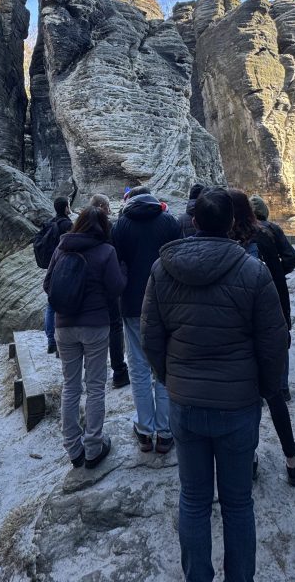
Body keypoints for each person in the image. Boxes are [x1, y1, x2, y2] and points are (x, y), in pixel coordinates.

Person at [141, 187, 288, 582]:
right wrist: (265, 388)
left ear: (194, 222)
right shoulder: (252, 271)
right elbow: (274, 342)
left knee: (193, 500)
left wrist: (170, 380)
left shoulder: (162, 270)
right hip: (238, 404)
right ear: (230, 225)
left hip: (185, 404)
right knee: (238, 504)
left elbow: (150, 339)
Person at [228, 189, 295, 485]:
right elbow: (281, 276)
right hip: (270, 323)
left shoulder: (228, 244)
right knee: (274, 397)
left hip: (239, 331)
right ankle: (292, 461)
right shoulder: (267, 235)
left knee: (246, 402)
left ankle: (249, 460)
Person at [44, 206, 126, 469]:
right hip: (95, 325)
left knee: (70, 386)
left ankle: (73, 447)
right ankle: (93, 445)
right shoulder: (106, 251)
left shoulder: (61, 248)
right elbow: (115, 288)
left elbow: (48, 285)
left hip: (64, 324)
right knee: (95, 386)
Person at [112, 185, 182, 452]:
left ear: (130, 200)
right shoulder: (168, 222)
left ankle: (144, 430)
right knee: (163, 366)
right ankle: (165, 432)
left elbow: (116, 263)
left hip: (131, 304)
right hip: (166, 302)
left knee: (139, 368)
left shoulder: (121, 226)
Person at [249, 193, 295, 400]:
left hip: (250, 292)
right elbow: (291, 256)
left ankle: (256, 389)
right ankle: (281, 387)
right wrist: (277, 271)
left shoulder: (241, 232)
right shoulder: (273, 229)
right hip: (276, 289)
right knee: (278, 334)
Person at [89, 193, 130, 388]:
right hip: (107, 287)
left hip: (87, 291)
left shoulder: (76, 231)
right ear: (102, 208)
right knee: (115, 327)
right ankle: (119, 371)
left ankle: (91, 373)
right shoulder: (109, 230)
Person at [42, 196, 73, 355]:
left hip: (51, 266)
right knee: (64, 304)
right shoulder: (67, 224)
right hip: (66, 267)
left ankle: (50, 340)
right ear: (66, 207)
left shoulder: (51, 222)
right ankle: (61, 342)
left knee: (51, 305)